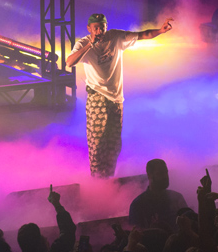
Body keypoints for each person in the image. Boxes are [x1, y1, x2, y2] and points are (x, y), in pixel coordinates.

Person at [66, 12, 174, 178]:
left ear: (106, 27)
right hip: (97, 96)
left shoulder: (115, 37)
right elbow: (69, 62)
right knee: (98, 142)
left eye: (102, 27)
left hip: (116, 99)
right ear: (89, 29)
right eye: (95, 28)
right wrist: (90, 45)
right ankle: (97, 180)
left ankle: (108, 178)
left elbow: (142, 35)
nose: (99, 30)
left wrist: (160, 30)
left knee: (114, 143)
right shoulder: (83, 43)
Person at [128, 158, 190, 228]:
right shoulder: (138, 204)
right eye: (160, 173)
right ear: (149, 175)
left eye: (166, 172)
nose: (165, 176)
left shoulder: (177, 198)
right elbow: (136, 233)